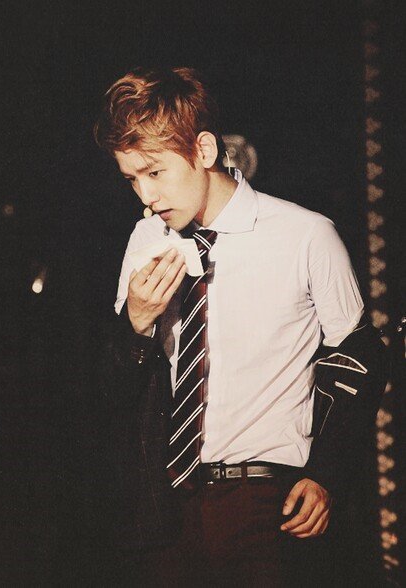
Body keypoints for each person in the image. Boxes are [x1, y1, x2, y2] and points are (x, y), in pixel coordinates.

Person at [94, 67, 387, 586]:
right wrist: (135, 324)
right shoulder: (145, 240)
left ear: (204, 150)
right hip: (167, 510)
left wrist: (326, 474)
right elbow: (116, 394)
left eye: (155, 172)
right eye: (132, 178)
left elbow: (362, 359)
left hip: (267, 503)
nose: (145, 196)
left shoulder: (306, 235)